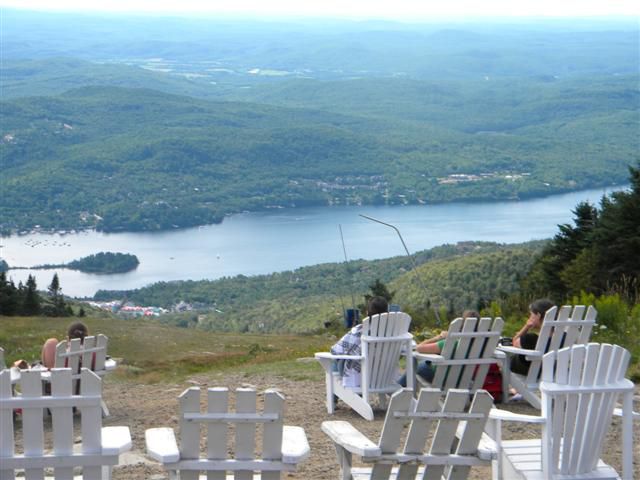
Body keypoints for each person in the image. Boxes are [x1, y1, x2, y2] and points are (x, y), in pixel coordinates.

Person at [398, 309, 479, 387]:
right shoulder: (480, 346)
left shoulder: (451, 343)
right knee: (424, 363)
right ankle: (399, 386)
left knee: (417, 365)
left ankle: (398, 387)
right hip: (462, 380)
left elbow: (419, 348)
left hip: (442, 378)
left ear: (461, 326)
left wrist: (439, 337)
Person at [330, 296, 388, 388]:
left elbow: (336, 350)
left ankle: (333, 398)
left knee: (336, 362)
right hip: (384, 374)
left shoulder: (359, 331)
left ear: (367, 312)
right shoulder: (393, 331)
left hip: (360, 376)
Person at [509, 298, 555, 375]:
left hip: (532, 373)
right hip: (550, 373)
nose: (530, 317)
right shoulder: (564, 337)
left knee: (503, 362)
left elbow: (515, 341)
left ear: (538, 315)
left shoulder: (531, 339)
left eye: (531, 314)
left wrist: (527, 326)